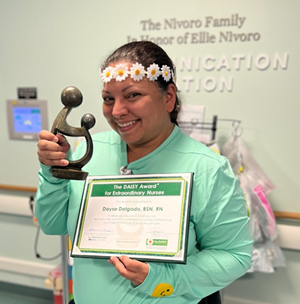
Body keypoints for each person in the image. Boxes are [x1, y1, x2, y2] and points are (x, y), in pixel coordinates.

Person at [35, 41, 253, 304]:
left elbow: (235, 256)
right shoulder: (90, 153)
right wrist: (52, 172)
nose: (117, 111)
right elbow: (52, 224)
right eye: (108, 99)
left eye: (133, 95)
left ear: (168, 97)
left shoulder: (207, 168)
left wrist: (161, 278)